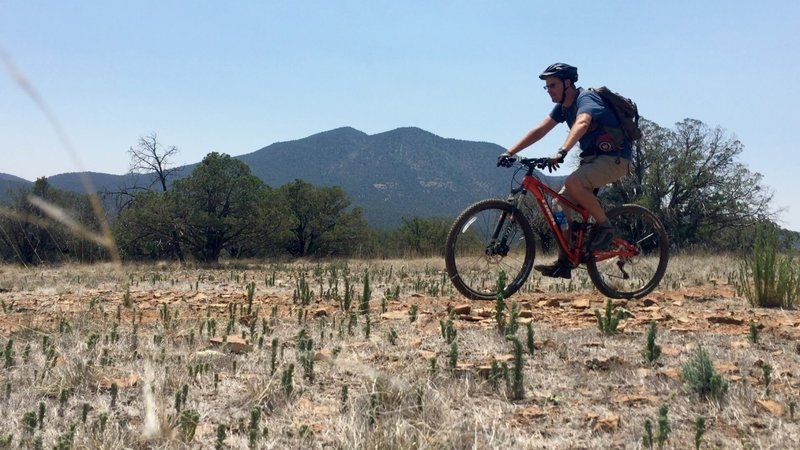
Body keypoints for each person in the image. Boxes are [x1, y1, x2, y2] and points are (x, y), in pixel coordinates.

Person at [497, 63, 632, 279]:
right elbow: (540, 129)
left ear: (568, 83)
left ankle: (605, 227)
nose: (549, 89)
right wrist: (509, 152)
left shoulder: (585, 99)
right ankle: (565, 261)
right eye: (546, 86)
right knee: (559, 204)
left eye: (553, 85)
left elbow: (583, 122)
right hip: (592, 161)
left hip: (614, 159)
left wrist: (562, 151)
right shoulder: (562, 108)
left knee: (573, 184)